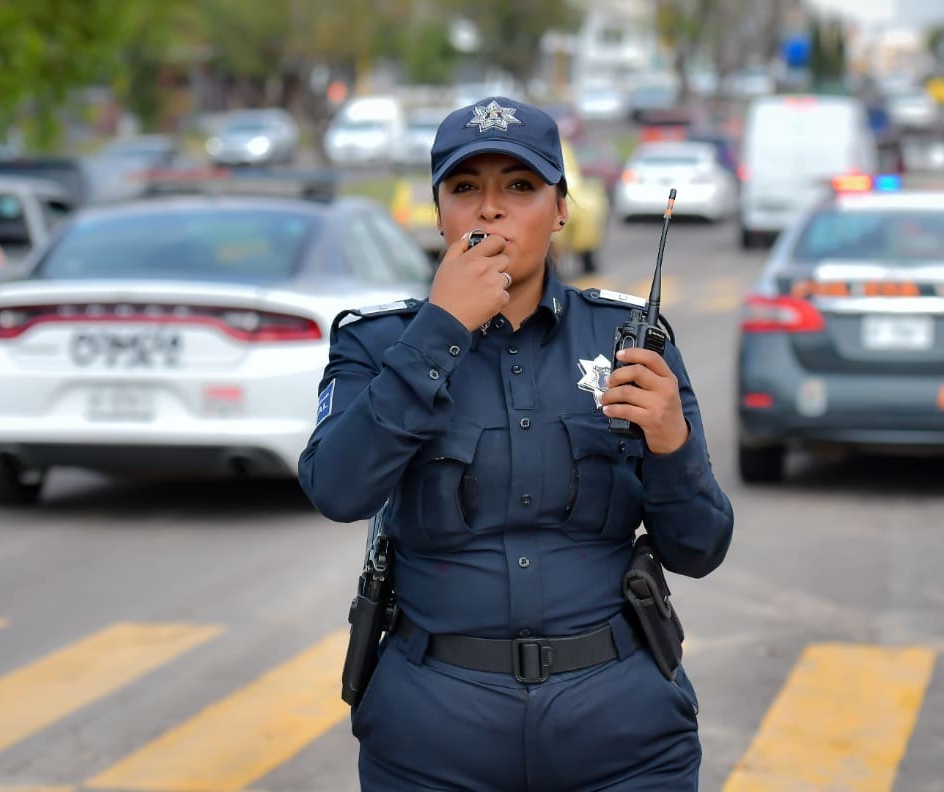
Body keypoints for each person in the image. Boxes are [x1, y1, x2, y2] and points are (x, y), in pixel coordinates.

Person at [299, 97, 734, 791]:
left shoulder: (627, 342)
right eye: (466, 188)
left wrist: (671, 441)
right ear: (439, 212)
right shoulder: (378, 344)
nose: (491, 210)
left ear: (561, 208)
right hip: (434, 739)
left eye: (521, 187)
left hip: (621, 736)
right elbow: (337, 489)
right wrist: (440, 329)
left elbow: (700, 547)